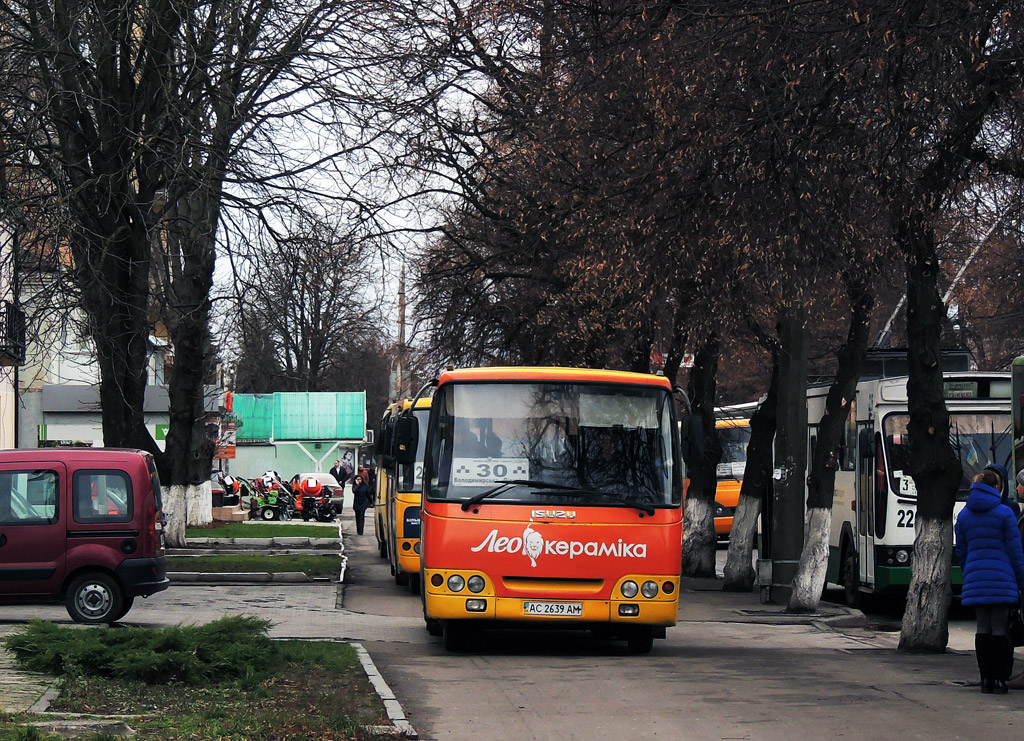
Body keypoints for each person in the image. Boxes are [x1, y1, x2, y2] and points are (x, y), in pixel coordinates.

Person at [955, 469, 1024, 693]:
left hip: (976, 576)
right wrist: (1021, 581)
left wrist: (969, 574)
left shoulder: (965, 515)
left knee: (982, 627)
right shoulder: (1005, 514)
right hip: (1002, 578)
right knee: (999, 628)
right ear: (997, 488)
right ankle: (999, 679)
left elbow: (962, 551)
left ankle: (985, 680)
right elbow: (1015, 552)